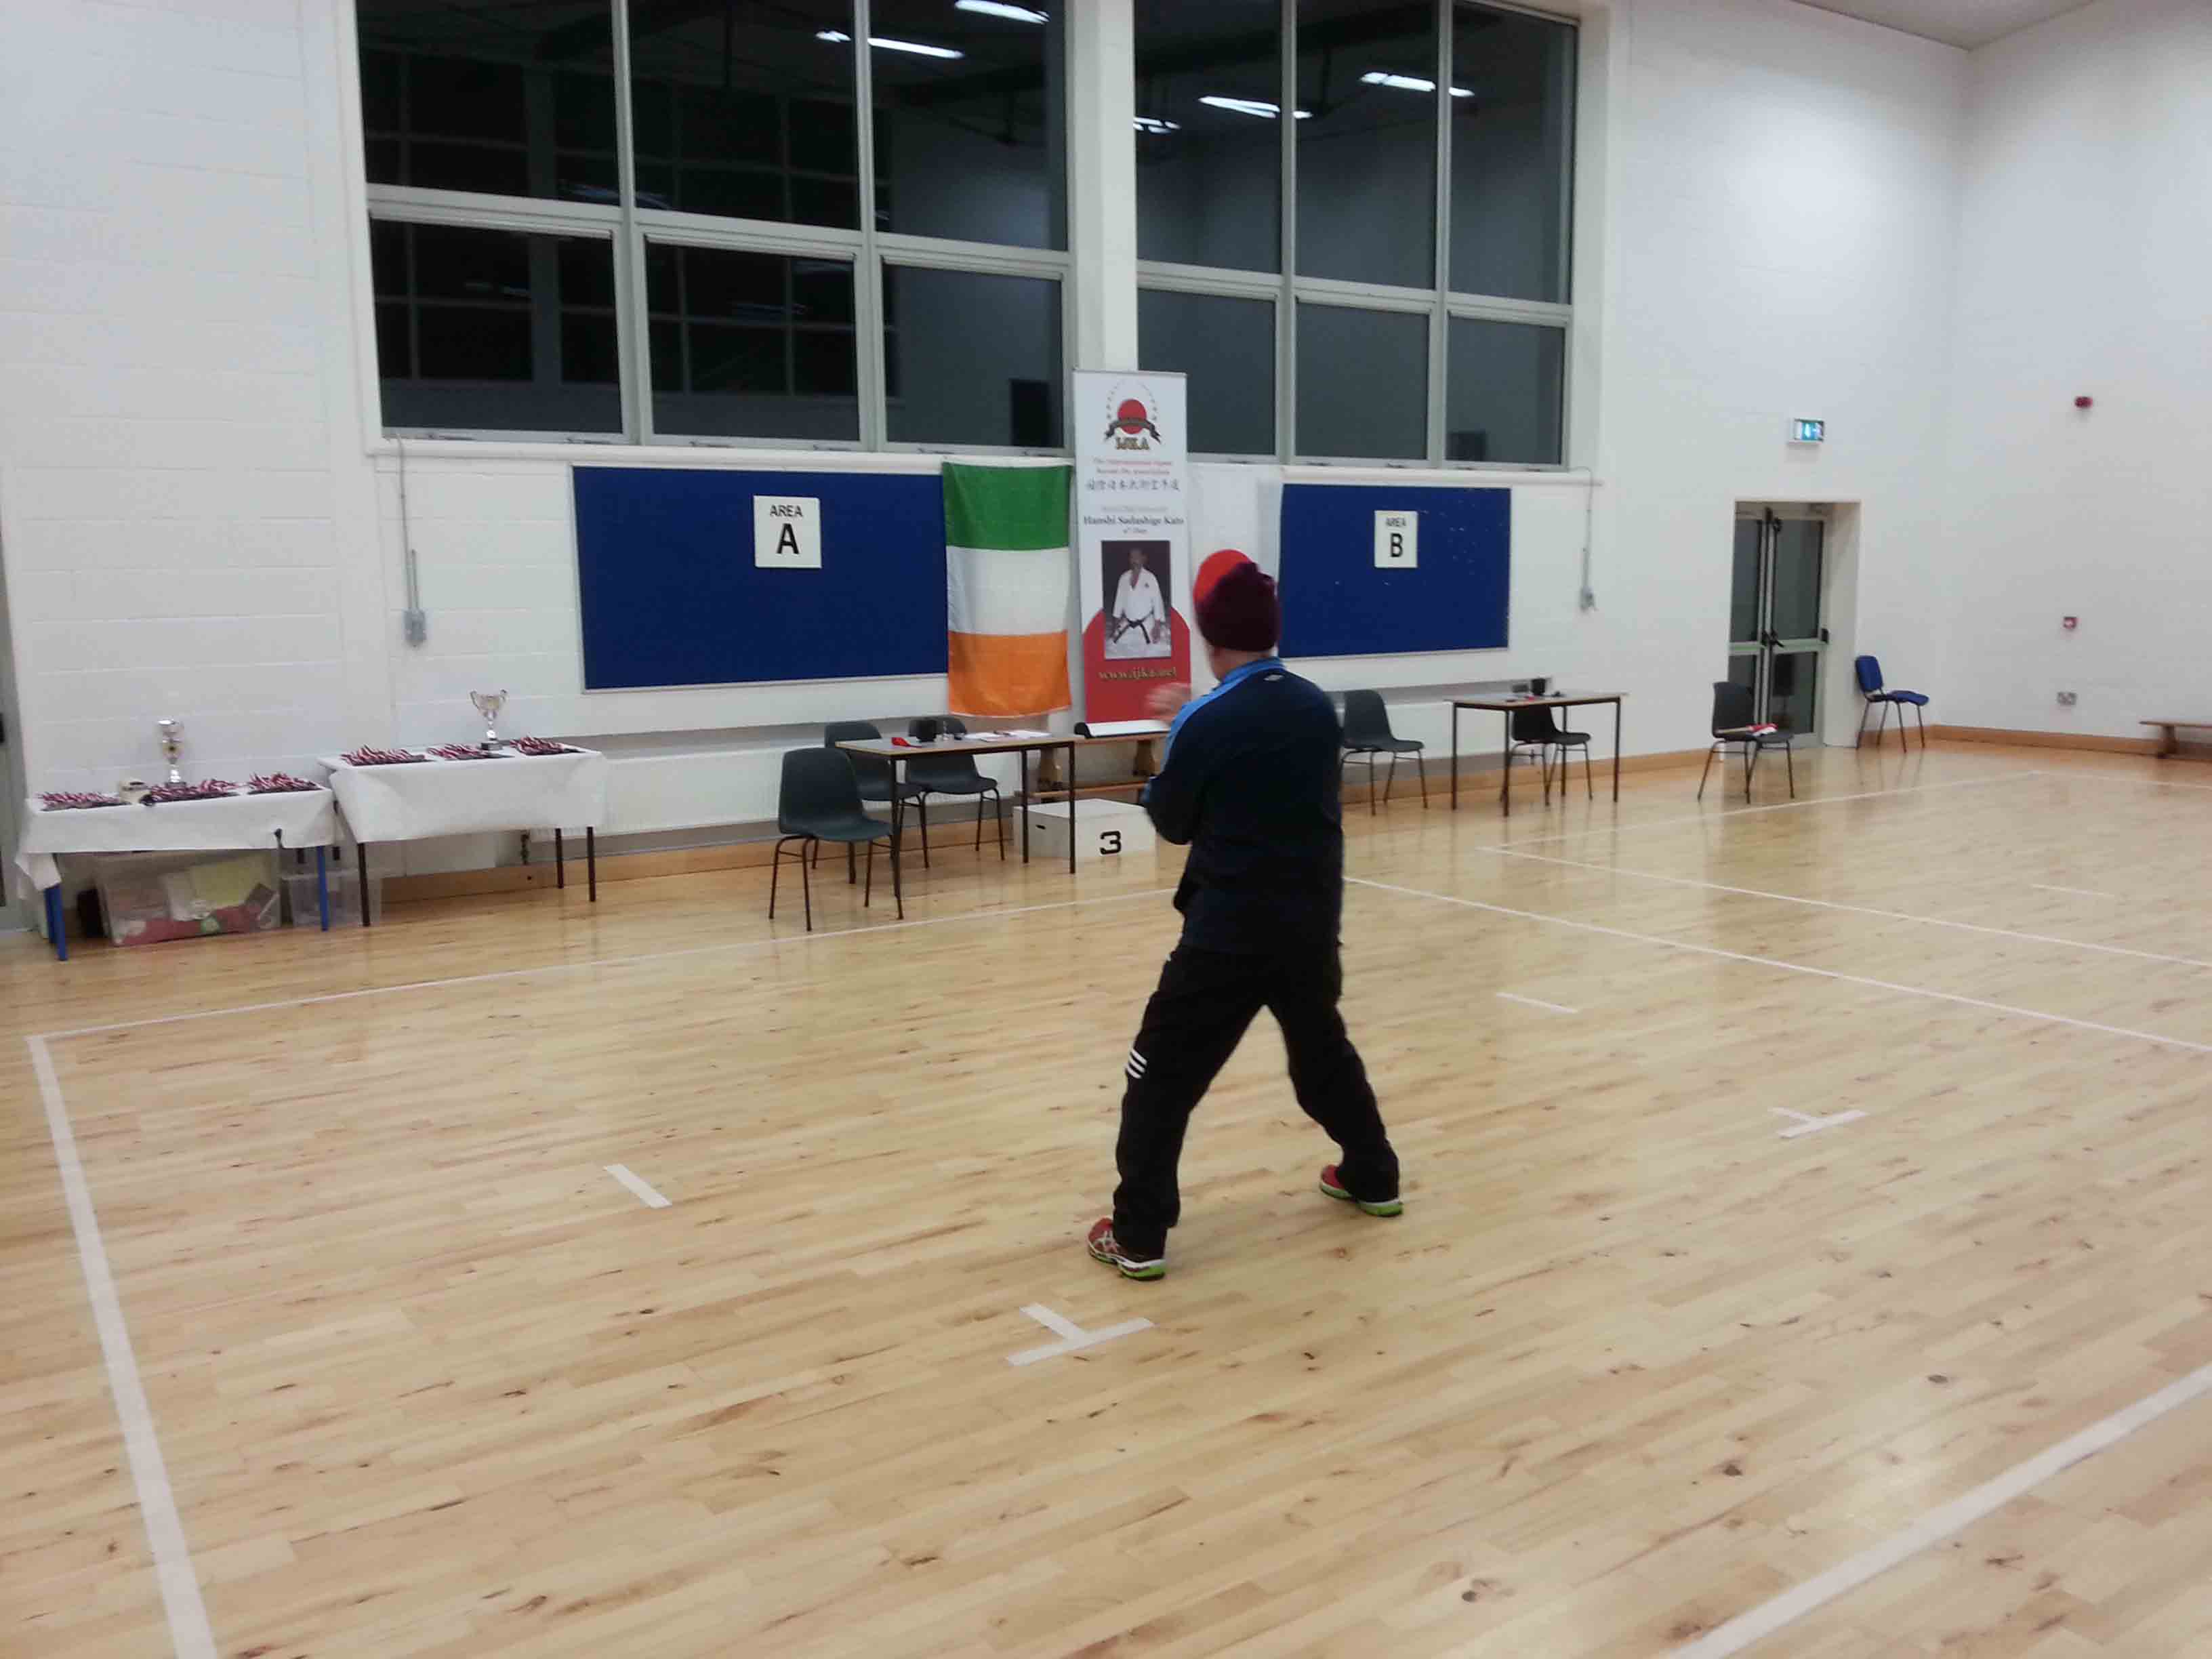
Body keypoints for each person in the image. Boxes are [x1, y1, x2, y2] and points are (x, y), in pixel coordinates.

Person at [1086, 550, 1401, 1281]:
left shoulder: (1206, 719)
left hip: (1227, 934)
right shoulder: (1316, 707)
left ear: (1209, 638)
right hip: (1311, 923)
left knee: (1158, 1079)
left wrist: (1175, 732)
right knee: (1322, 1057)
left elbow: (1172, 821)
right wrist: (1190, 723)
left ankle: (1137, 1236)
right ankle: (1373, 1174)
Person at [1108, 546, 1167, 651]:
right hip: (1128, 624)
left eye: (1137, 557)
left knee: (1154, 649)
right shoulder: (1124, 578)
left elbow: (1157, 602)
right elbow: (1119, 603)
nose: (1134, 560)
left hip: (1147, 625)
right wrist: (1114, 626)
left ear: (1143, 559)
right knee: (1114, 646)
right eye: (1132, 557)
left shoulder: (1150, 578)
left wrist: (1157, 627)